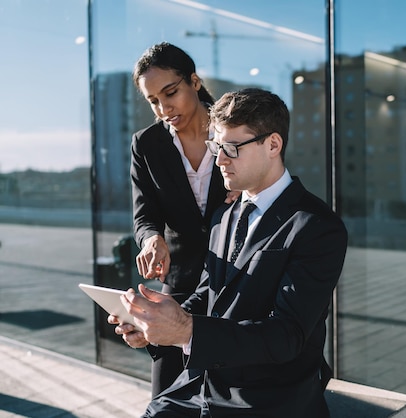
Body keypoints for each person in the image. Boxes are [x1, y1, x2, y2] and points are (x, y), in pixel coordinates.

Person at [112, 87, 348, 418]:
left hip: (269, 398)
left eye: (231, 148)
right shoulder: (224, 215)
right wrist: (153, 328)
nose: (219, 159)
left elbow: (286, 336)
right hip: (205, 387)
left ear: (273, 145)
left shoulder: (317, 227)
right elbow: (208, 296)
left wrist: (187, 330)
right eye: (216, 146)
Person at [130, 42, 234, 398]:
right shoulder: (146, 144)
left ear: (194, 81)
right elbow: (144, 214)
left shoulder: (235, 128)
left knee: (231, 389)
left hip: (239, 276)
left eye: (170, 92)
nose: (163, 108)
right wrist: (151, 240)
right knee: (167, 392)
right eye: (153, 100)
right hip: (182, 280)